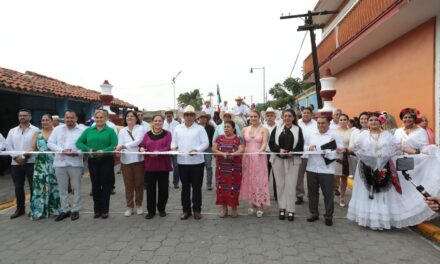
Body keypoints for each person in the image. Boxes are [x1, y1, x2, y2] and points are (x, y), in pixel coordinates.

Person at [347, 112, 435, 230]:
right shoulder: (362, 135)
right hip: (366, 167)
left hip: (384, 167)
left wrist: (419, 152)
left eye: (376, 120)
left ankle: (380, 220)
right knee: (368, 193)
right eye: (371, 120)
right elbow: (353, 148)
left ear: (381, 122)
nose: (374, 122)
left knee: (382, 194)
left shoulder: (387, 135)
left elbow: (401, 147)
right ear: (367, 123)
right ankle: (369, 219)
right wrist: (342, 149)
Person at [76, 109, 118, 219]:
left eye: (101, 117)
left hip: (106, 160)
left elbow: (114, 145)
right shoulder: (88, 131)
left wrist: (104, 151)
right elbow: (79, 142)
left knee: (106, 185)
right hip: (93, 161)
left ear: (106, 119)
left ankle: (105, 210)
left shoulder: (110, 131)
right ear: (94, 118)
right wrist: (87, 149)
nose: (99, 119)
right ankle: (96, 210)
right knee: (95, 185)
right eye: (97, 117)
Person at [171, 105, 209, 220]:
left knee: (197, 187)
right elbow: (173, 142)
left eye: (191, 115)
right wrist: (173, 148)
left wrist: (197, 150)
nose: (188, 117)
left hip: (197, 162)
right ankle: (186, 210)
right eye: (186, 115)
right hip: (182, 162)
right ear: (184, 116)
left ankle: (197, 210)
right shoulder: (178, 128)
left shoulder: (200, 129)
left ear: (194, 117)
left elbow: (205, 143)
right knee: (185, 188)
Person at [305, 116, 343, 226]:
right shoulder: (311, 133)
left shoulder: (334, 135)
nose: (320, 125)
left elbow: (339, 150)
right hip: (311, 167)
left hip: (327, 169)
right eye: (319, 123)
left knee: (328, 194)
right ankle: (313, 213)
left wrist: (329, 151)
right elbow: (304, 145)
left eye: (323, 123)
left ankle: (328, 216)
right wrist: (308, 148)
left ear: (328, 124)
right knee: (312, 193)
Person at [48, 110, 85, 221]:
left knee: (76, 187)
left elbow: (86, 144)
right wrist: (61, 150)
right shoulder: (57, 129)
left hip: (75, 162)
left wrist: (78, 152)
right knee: (62, 188)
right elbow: (50, 143)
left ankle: (76, 210)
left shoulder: (83, 130)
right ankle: (65, 210)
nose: (69, 120)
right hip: (60, 162)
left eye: (72, 118)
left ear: (76, 118)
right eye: (67, 118)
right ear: (64, 118)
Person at [269, 109, 304, 222]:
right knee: (280, 185)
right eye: (285, 116)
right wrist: (279, 150)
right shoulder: (277, 128)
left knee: (290, 186)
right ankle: (282, 208)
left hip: (292, 160)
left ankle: (291, 210)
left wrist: (292, 152)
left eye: (289, 116)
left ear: (294, 118)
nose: (287, 118)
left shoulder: (298, 130)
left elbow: (300, 145)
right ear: (283, 117)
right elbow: (271, 143)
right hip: (278, 160)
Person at [6, 109, 39, 219]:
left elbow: (35, 146)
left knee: (33, 187)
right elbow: (8, 146)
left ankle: (34, 209)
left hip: (31, 162)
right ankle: (20, 209)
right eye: (20, 115)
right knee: (18, 187)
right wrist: (16, 157)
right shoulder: (12, 131)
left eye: (25, 115)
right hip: (15, 163)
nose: (22, 117)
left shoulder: (36, 130)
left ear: (30, 117)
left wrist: (24, 157)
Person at [28, 114, 61, 220]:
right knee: (39, 187)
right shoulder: (37, 133)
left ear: (52, 121)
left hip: (55, 162)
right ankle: (39, 210)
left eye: (47, 120)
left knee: (54, 186)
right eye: (43, 120)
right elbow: (32, 147)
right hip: (40, 164)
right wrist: (28, 151)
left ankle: (55, 209)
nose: (45, 122)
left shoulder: (57, 132)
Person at [140, 115, 172, 219]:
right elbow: (142, 145)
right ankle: (151, 211)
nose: (158, 122)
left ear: (163, 122)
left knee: (163, 189)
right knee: (150, 190)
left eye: (160, 121)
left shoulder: (168, 134)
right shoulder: (147, 134)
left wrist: (159, 152)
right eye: (155, 121)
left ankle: (161, 209)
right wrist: (141, 149)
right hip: (150, 166)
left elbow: (168, 147)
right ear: (152, 122)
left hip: (163, 165)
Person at [239, 110, 270, 217]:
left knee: (259, 180)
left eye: (255, 116)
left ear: (259, 117)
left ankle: (260, 205)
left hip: (259, 157)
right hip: (247, 158)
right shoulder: (244, 130)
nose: (253, 118)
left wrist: (260, 151)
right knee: (249, 180)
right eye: (251, 116)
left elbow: (265, 142)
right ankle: (252, 204)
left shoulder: (264, 129)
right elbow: (241, 144)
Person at [116, 110, 147, 217]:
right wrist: (119, 149)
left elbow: (138, 141)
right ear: (125, 119)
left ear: (136, 118)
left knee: (139, 184)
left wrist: (124, 146)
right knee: (128, 185)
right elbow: (119, 144)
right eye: (127, 116)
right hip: (125, 161)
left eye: (132, 116)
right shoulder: (122, 131)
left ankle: (139, 205)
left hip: (138, 160)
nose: (129, 118)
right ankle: (129, 206)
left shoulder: (140, 128)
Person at [212, 121, 244, 218]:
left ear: (234, 129)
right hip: (222, 168)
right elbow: (213, 149)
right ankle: (224, 209)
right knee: (221, 188)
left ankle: (234, 208)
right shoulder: (219, 138)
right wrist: (221, 154)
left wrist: (234, 154)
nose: (226, 129)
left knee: (234, 188)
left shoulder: (239, 139)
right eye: (225, 127)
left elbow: (242, 150)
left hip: (235, 168)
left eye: (228, 127)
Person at [296, 106, 317, 205]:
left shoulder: (316, 124)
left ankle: (312, 196)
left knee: (312, 177)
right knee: (298, 177)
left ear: (312, 114)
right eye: (304, 112)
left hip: (313, 155)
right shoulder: (297, 123)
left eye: (308, 112)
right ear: (301, 113)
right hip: (300, 154)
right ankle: (299, 196)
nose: (306, 114)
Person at [333, 114, 352, 207]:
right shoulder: (333, 131)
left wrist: (346, 148)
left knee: (344, 177)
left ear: (348, 121)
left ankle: (342, 197)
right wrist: (335, 148)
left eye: (345, 119)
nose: (343, 121)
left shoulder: (351, 132)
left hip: (346, 157)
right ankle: (332, 194)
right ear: (338, 121)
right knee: (334, 177)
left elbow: (353, 144)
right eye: (341, 120)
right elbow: (330, 142)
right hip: (335, 157)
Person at [163, 109, 181, 189]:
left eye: (170, 116)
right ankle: (165, 182)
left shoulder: (177, 124)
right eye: (167, 116)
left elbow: (179, 135)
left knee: (176, 166)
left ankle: (176, 182)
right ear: (165, 116)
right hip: (165, 148)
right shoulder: (163, 123)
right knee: (165, 166)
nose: (168, 117)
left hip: (174, 148)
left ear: (172, 115)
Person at [264, 107, 278, 201]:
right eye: (268, 115)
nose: (269, 117)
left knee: (277, 175)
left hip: (275, 153)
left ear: (275, 116)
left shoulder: (279, 126)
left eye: (271, 115)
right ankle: (265, 194)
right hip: (265, 153)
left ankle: (277, 194)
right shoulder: (262, 127)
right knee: (265, 175)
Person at [198, 112, 215, 190]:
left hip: (208, 149)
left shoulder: (210, 128)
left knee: (208, 166)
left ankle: (209, 183)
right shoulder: (196, 127)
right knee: (199, 167)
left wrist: (212, 148)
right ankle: (198, 183)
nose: (203, 119)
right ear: (199, 119)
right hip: (198, 149)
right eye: (201, 117)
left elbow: (213, 139)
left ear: (206, 119)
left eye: (204, 117)